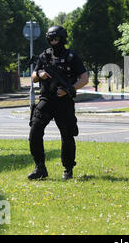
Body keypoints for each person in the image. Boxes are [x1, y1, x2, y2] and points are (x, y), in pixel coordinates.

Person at [28, 26, 89, 180]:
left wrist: (69, 90)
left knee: (67, 135)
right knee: (35, 131)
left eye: (56, 38)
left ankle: (68, 169)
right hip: (46, 100)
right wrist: (40, 74)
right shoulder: (44, 56)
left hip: (64, 102)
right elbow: (34, 76)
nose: (53, 41)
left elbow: (84, 78)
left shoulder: (72, 57)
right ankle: (40, 168)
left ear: (62, 38)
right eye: (51, 39)